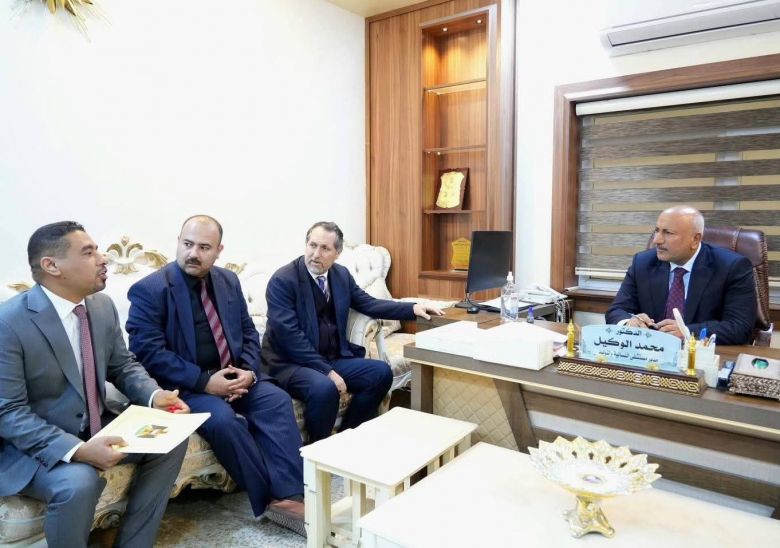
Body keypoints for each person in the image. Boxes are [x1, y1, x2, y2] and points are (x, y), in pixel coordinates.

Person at [0, 221, 189, 548]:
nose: (103, 259)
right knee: (79, 482)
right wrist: (76, 450)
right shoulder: (9, 323)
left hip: (97, 426)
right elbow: (9, 412)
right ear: (52, 266)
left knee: (172, 438)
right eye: (88, 253)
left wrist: (154, 395)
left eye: (98, 250)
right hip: (31, 448)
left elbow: (122, 365)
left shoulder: (101, 306)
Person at [126, 215, 305, 535]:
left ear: (219, 250)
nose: (193, 253)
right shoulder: (150, 290)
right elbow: (149, 353)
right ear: (178, 242)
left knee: (276, 399)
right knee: (223, 420)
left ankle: (292, 496)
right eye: (187, 244)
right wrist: (205, 382)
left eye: (204, 247)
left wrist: (247, 372)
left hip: (235, 374)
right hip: (188, 386)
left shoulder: (228, 280)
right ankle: (270, 500)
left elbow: (248, 332)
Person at [262, 221, 443, 442]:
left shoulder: (340, 275)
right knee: (325, 388)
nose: (316, 254)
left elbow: (369, 304)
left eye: (325, 248)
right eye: (312, 245)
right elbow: (290, 337)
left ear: (337, 253)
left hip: (331, 358)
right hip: (290, 363)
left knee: (380, 373)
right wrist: (327, 372)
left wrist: (412, 308)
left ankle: (347, 438)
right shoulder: (283, 280)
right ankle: (319, 450)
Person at [605, 206, 756, 345]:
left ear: (695, 239)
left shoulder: (731, 267)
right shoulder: (643, 263)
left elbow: (739, 327)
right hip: (651, 354)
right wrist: (629, 323)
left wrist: (687, 332)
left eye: (668, 233)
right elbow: (616, 310)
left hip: (701, 355)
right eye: (657, 231)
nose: (657, 240)